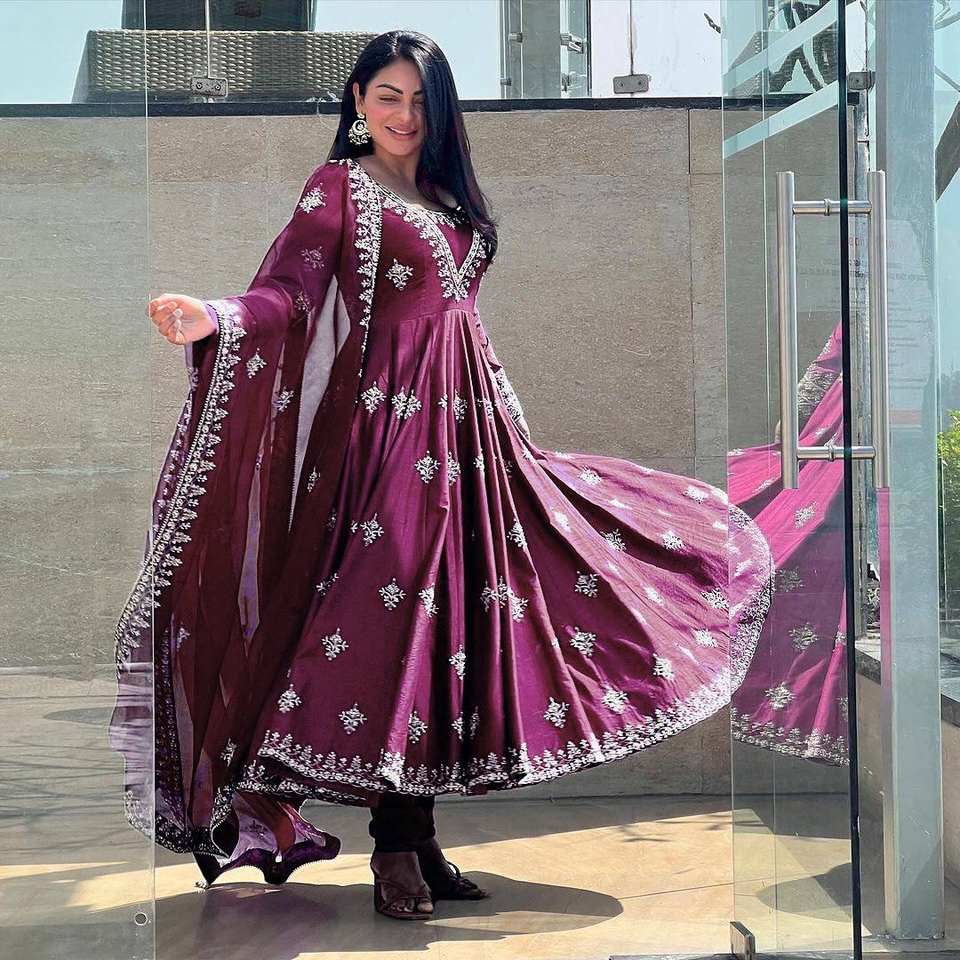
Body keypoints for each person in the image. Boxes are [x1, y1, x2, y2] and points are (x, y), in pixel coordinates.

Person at [109, 30, 774, 921]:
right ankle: (394, 848)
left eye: (421, 100)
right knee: (396, 623)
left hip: (472, 435)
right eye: (387, 96)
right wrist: (217, 316)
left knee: (461, 621)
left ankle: (416, 838)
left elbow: (462, 320)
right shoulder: (338, 188)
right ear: (356, 101)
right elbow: (291, 292)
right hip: (389, 439)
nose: (405, 115)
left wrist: (506, 425)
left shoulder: (450, 198)